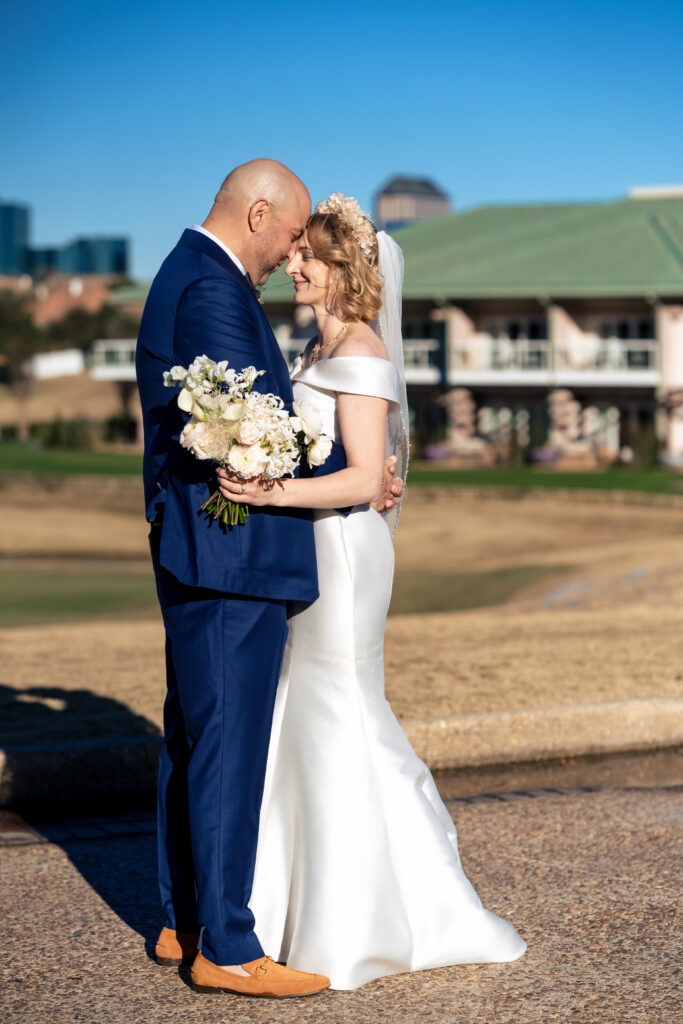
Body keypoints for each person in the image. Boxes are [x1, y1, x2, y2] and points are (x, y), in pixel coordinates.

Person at [217, 194, 527, 990]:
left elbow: (358, 476)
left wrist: (267, 491)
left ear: (342, 273)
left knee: (340, 707)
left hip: (344, 553)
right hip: (311, 544)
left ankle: (368, 917)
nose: (292, 266)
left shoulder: (358, 351)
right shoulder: (313, 348)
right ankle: (287, 906)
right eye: (293, 257)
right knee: (307, 709)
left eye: (306, 260)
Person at [135, 162, 403, 1000]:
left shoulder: (189, 270)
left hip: (208, 550)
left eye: (306, 249)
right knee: (227, 747)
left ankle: (185, 916)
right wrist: (353, 468)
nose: (291, 252)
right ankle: (228, 947)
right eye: (289, 235)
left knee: (195, 737)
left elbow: (246, 420)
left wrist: (360, 470)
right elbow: (245, 428)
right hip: (231, 557)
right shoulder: (213, 289)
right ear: (257, 213)